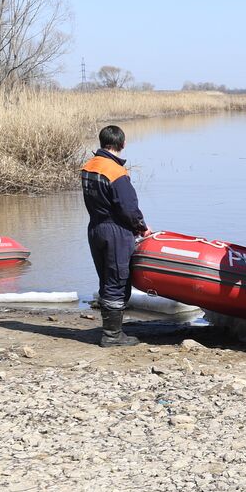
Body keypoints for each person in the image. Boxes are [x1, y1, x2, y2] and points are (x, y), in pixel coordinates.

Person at [80, 125, 149, 347]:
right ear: (123, 143)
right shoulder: (117, 172)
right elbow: (128, 208)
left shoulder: (89, 166)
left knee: (106, 279)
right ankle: (112, 336)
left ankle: (110, 330)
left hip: (95, 229)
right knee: (117, 281)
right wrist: (141, 227)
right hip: (115, 231)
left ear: (102, 142)